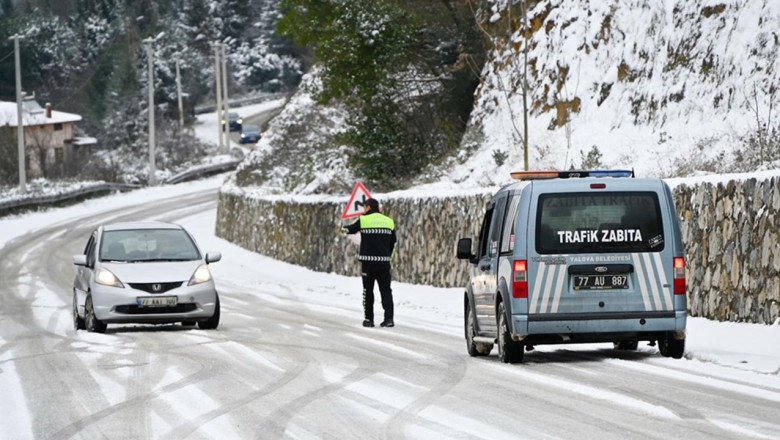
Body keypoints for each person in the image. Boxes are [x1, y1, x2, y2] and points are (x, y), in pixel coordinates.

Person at [341, 198, 396, 328]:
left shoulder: (364, 220)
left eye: (364, 207)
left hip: (368, 263)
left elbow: (351, 229)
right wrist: (389, 257)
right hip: (384, 263)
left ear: (369, 207)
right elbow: (394, 242)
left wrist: (342, 229)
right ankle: (389, 319)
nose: (363, 210)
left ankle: (369, 319)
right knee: (386, 291)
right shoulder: (389, 221)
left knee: (368, 291)